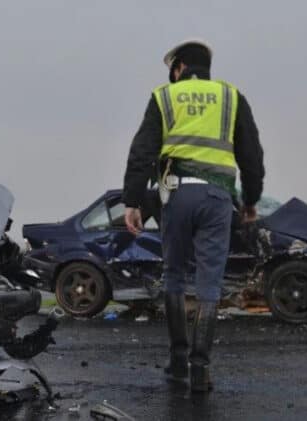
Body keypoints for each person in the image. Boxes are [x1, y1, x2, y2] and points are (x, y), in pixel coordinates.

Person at [122, 40, 264, 392]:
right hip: (217, 198)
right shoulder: (231, 97)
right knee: (209, 283)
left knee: (174, 275)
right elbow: (251, 154)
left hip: (177, 194)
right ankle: (200, 370)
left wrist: (133, 201)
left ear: (180, 67)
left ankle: (177, 364)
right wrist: (251, 200)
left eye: (172, 70)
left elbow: (142, 151)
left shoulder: (164, 97)